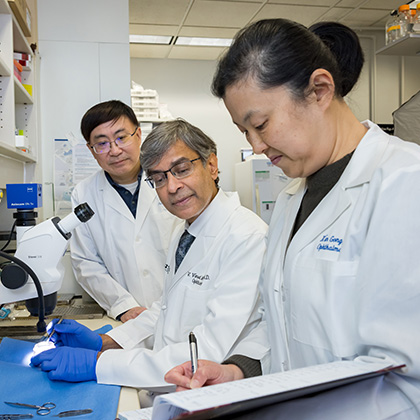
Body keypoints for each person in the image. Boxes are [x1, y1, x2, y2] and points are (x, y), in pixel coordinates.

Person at [165, 19, 420, 419]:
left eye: (261, 124)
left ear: (319, 90)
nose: (256, 145)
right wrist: (236, 372)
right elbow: (280, 319)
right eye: (244, 131)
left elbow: (407, 380)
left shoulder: (406, 184)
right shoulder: (290, 199)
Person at [31, 119, 269, 393]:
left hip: (208, 395)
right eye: (158, 178)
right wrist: (106, 342)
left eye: (181, 170)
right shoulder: (187, 228)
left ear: (212, 165)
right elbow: (165, 310)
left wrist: (99, 363)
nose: (171, 187)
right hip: (167, 382)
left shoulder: (246, 237)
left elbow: (209, 350)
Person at [70, 100, 181, 322]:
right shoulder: (84, 194)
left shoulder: (173, 180)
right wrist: (123, 306)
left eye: (122, 137)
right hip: (128, 318)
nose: (115, 150)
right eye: (102, 144)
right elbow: (87, 263)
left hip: (181, 309)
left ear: (138, 134)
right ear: (91, 150)